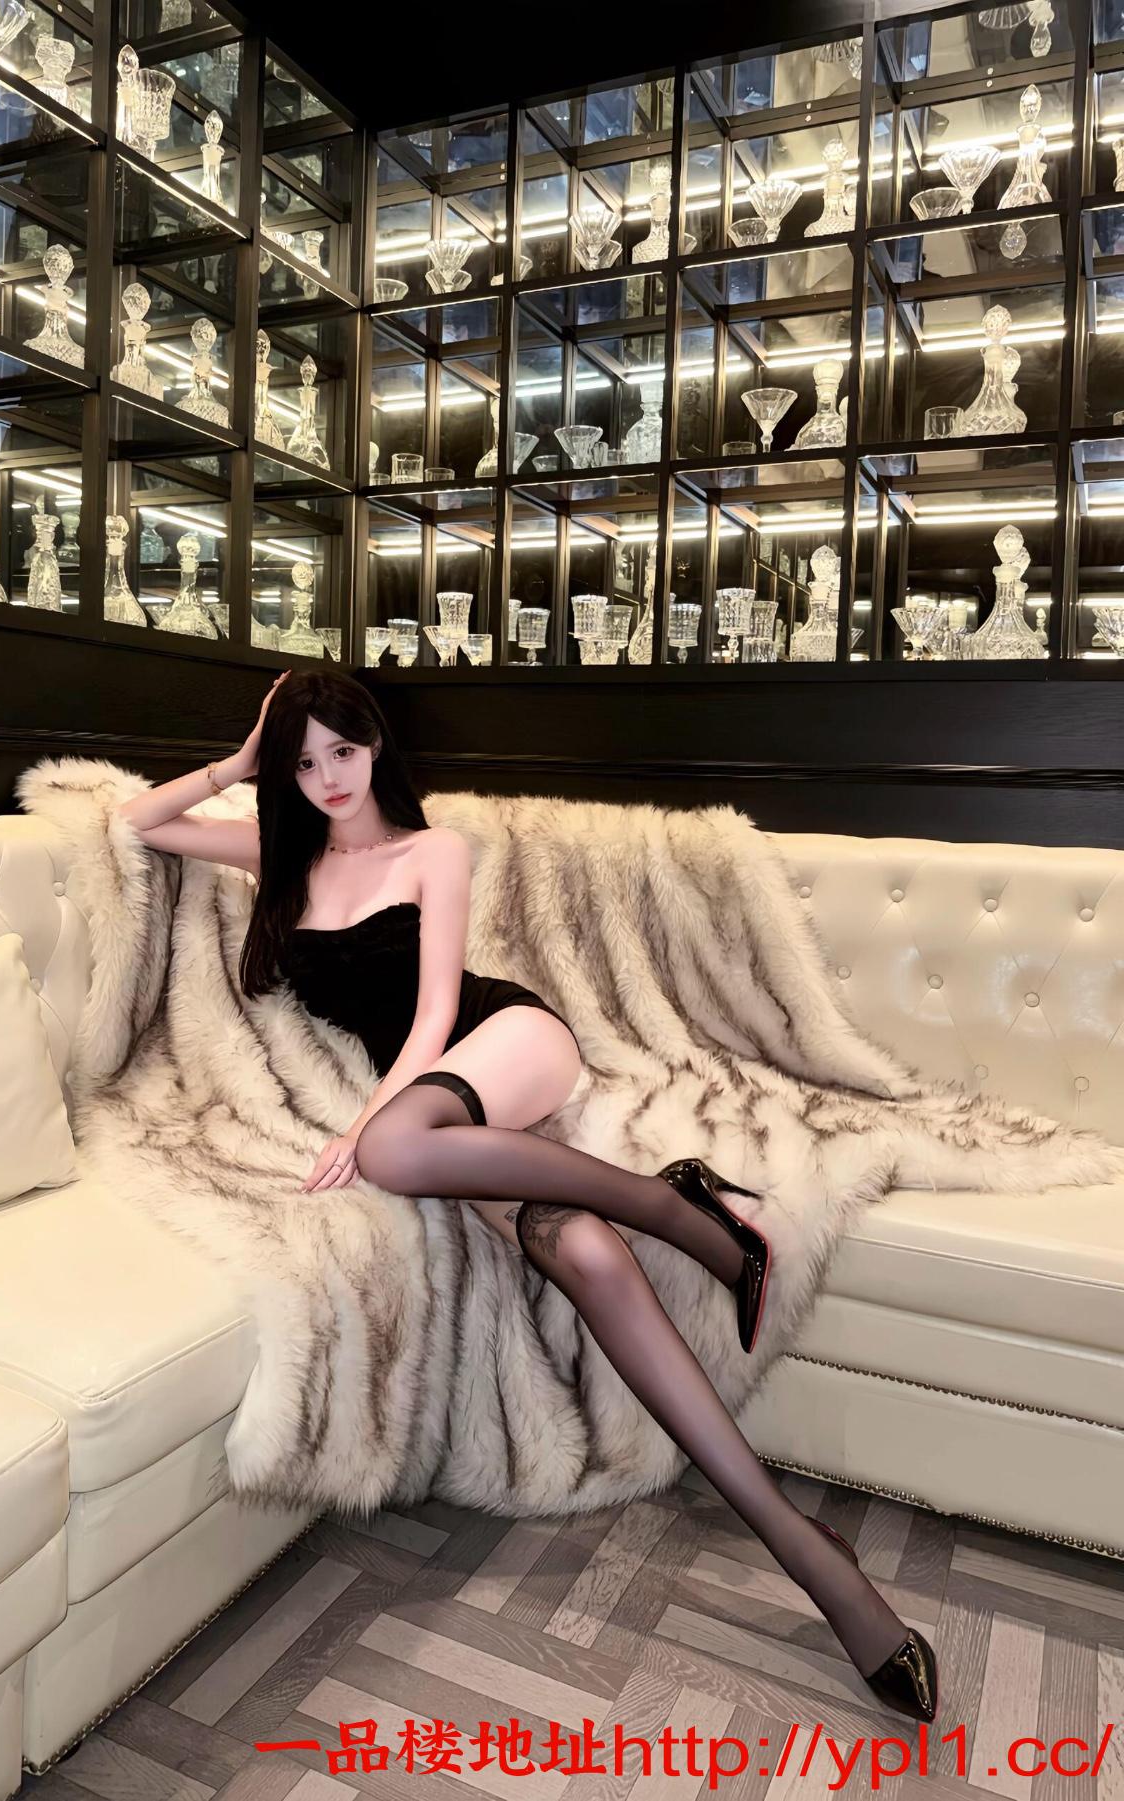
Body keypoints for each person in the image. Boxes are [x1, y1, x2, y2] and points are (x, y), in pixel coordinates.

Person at [114, 666, 937, 1724]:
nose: (327, 778)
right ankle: (807, 1551)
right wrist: (240, 760)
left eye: (343, 751)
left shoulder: (432, 851)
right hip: (444, 1116)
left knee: (396, 1151)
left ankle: (673, 1208)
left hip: (504, 1042)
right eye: (304, 761)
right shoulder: (284, 853)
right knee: (583, 1252)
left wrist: (367, 1128)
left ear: (377, 747)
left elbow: (432, 1016)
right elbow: (139, 823)